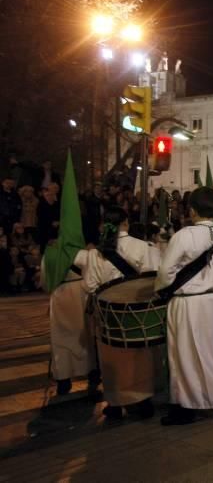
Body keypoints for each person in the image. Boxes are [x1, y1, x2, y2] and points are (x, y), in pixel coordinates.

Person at [156, 187, 213, 425]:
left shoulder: (183, 235)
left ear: (192, 210)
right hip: (212, 301)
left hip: (185, 303)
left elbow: (165, 272)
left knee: (183, 355)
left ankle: (186, 406)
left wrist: (161, 289)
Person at [84, 207, 161, 420]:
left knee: (111, 356)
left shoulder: (94, 253)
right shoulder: (142, 246)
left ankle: (115, 403)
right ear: (126, 223)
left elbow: (90, 285)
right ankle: (143, 399)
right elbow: (152, 278)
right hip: (137, 312)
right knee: (139, 356)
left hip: (109, 315)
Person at [40, 154, 101, 400]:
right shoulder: (87, 253)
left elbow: (45, 280)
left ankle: (63, 379)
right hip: (82, 295)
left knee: (61, 338)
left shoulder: (51, 252)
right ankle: (91, 374)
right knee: (86, 336)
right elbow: (96, 278)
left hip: (60, 295)